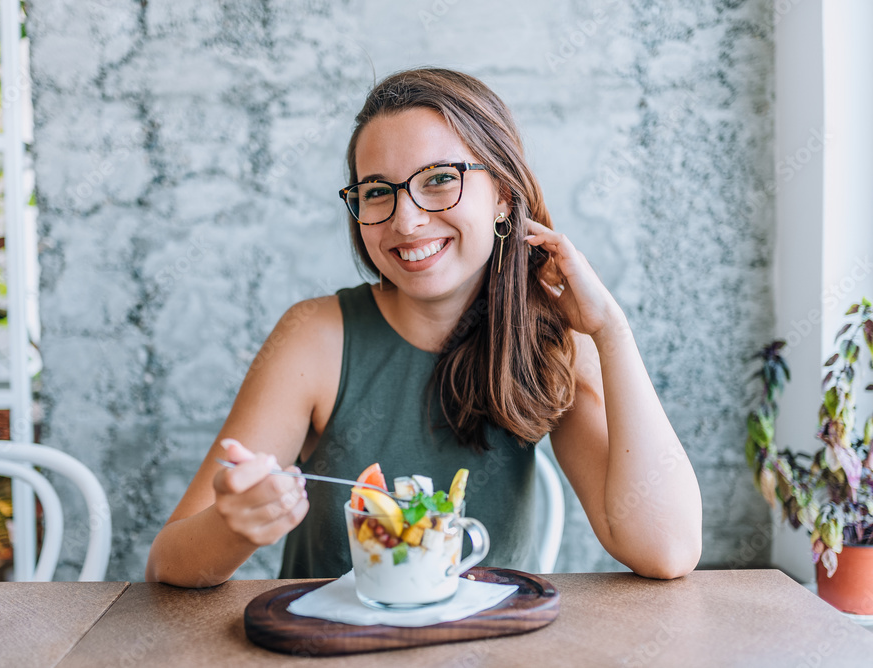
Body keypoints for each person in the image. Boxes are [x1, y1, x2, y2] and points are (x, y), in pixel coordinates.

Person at [145, 68, 702, 587]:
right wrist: (234, 524)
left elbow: (667, 550)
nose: (406, 221)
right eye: (378, 192)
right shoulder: (314, 337)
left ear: (505, 197)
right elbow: (168, 561)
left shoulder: (551, 337)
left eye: (439, 180)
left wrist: (611, 332)